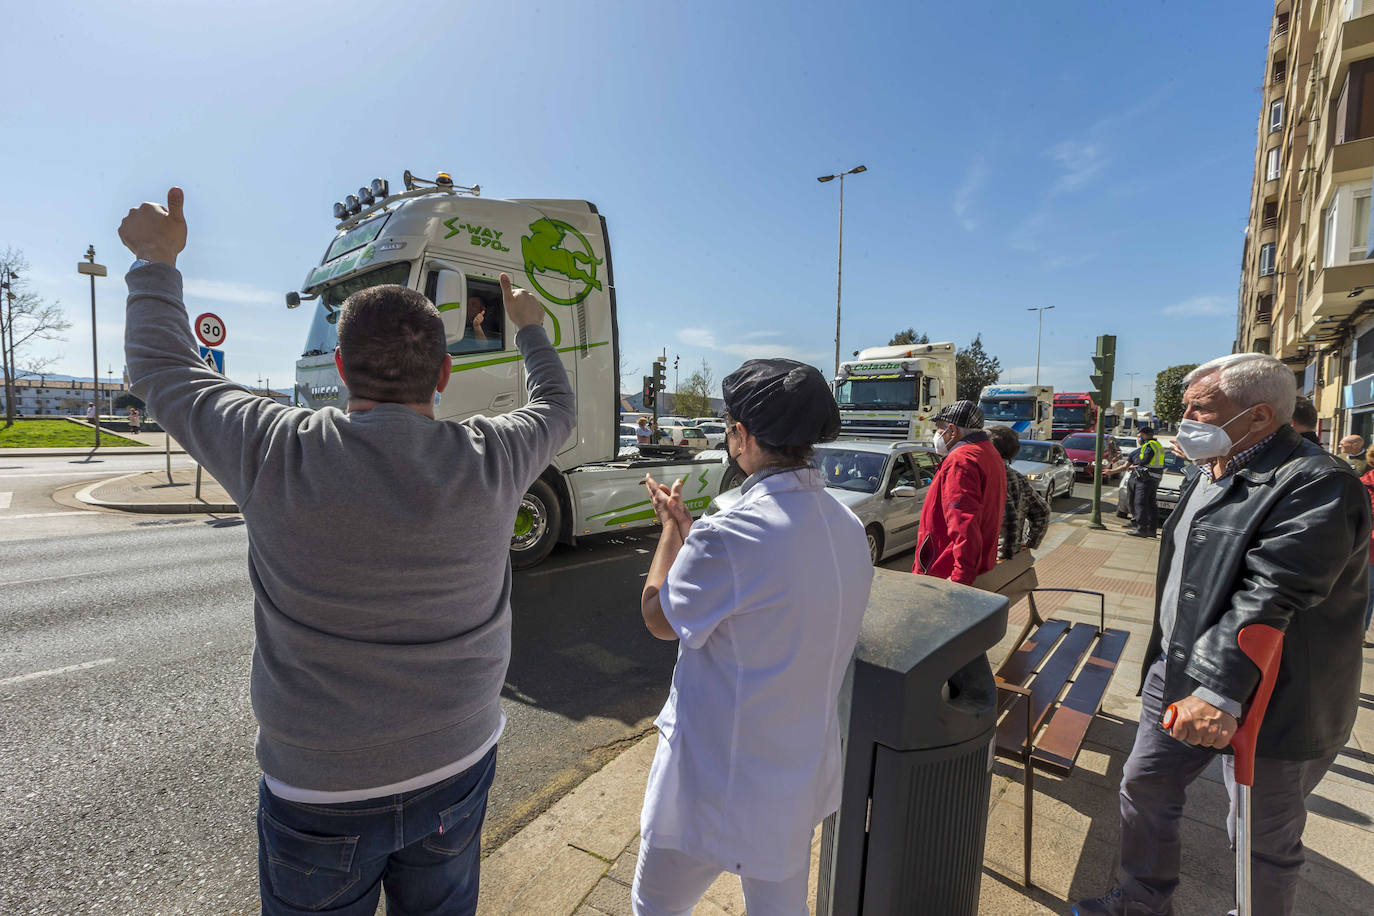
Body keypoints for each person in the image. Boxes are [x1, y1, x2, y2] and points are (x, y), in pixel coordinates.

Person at [119, 187, 574, 916]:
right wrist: (527, 325)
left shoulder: (275, 446)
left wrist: (156, 261)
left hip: (318, 789)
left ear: (339, 363)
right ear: (446, 373)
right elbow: (556, 404)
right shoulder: (493, 457)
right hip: (458, 765)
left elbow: (163, 372)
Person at [1074, 353, 1368, 916]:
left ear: (1259, 417)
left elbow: (1272, 592)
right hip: (1180, 668)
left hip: (1272, 693)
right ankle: (1141, 901)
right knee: (1146, 785)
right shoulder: (1210, 468)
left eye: (1200, 408)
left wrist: (1215, 691)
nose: (1185, 417)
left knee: (1257, 834)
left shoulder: (1316, 484)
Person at [633, 359, 872, 916]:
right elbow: (762, 597)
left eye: (728, 427)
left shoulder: (731, 532)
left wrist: (672, 530)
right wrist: (696, 543)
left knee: (654, 907)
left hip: (717, 782)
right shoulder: (846, 526)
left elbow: (657, 616)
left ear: (743, 436)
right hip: (792, 784)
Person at [912, 400, 1006, 585]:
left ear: (953, 431)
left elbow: (964, 524)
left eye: (939, 429)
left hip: (942, 571)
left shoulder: (961, 460)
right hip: (978, 565)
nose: (937, 435)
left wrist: (959, 579)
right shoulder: (987, 452)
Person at [987, 425, 1049, 559]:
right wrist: (1030, 542)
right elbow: (1042, 511)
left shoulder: (987, 476)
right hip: (1010, 556)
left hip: (989, 559)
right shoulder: (1018, 478)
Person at [1124, 427, 1165, 538]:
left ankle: (1141, 529)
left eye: (1139, 436)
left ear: (1144, 435)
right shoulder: (1158, 445)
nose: (1139, 438)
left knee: (1140, 503)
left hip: (1146, 477)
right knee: (1151, 504)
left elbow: (1145, 460)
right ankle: (1152, 530)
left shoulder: (1149, 445)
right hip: (1155, 477)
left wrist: (1137, 463)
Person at [1362, 444, 1374, 649]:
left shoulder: (1363, 483)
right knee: (1368, 592)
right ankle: (1359, 634)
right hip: (1371, 546)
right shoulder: (1364, 484)